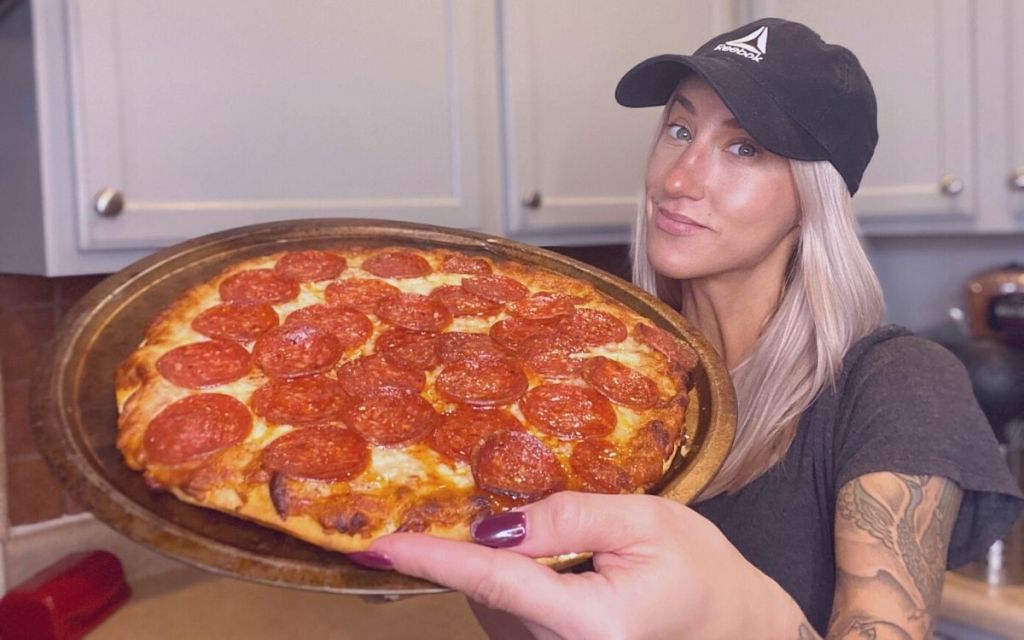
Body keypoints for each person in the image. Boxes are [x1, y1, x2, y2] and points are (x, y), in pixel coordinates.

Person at [348, 18, 1024, 638]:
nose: (681, 178)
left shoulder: (897, 384)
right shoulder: (583, 375)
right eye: (680, 129)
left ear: (812, 199)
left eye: (744, 148)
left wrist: (733, 614)